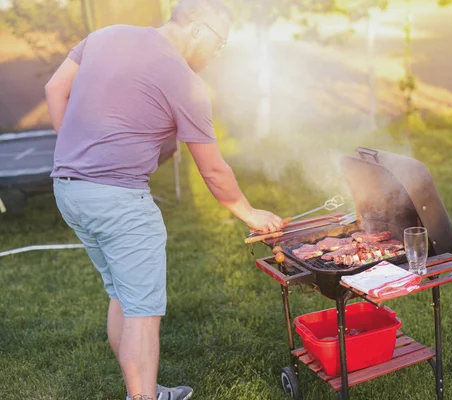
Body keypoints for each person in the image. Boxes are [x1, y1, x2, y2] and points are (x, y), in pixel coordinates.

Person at [44, 0, 284, 399]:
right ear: (198, 28)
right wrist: (249, 212)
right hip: (120, 202)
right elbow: (213, 170)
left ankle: (143, 390)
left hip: (70, 190)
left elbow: (54, 88)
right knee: (142, 312)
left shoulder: (106, 35)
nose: (217, 52)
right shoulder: (184, 80)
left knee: (121, 294)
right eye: (219, 42)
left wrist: (75, 150)